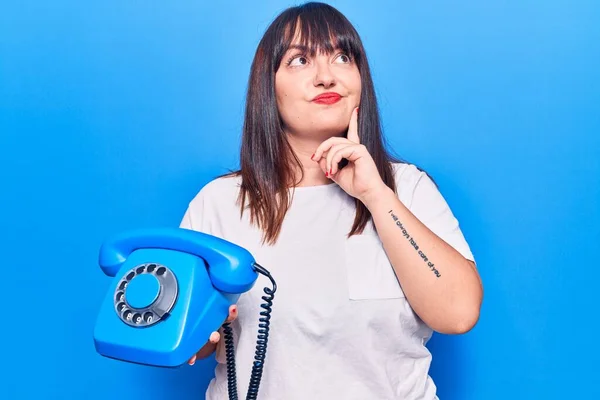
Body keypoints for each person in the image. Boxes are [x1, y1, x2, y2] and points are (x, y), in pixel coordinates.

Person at [179, 2, 483, 399]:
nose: (326, 77)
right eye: (300, 60)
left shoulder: (407, 188)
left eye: (342, 57)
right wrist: (198, 334)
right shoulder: (219, 202)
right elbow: (189, 339)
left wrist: (376, 195)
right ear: (267, 86)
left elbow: (458, 313)